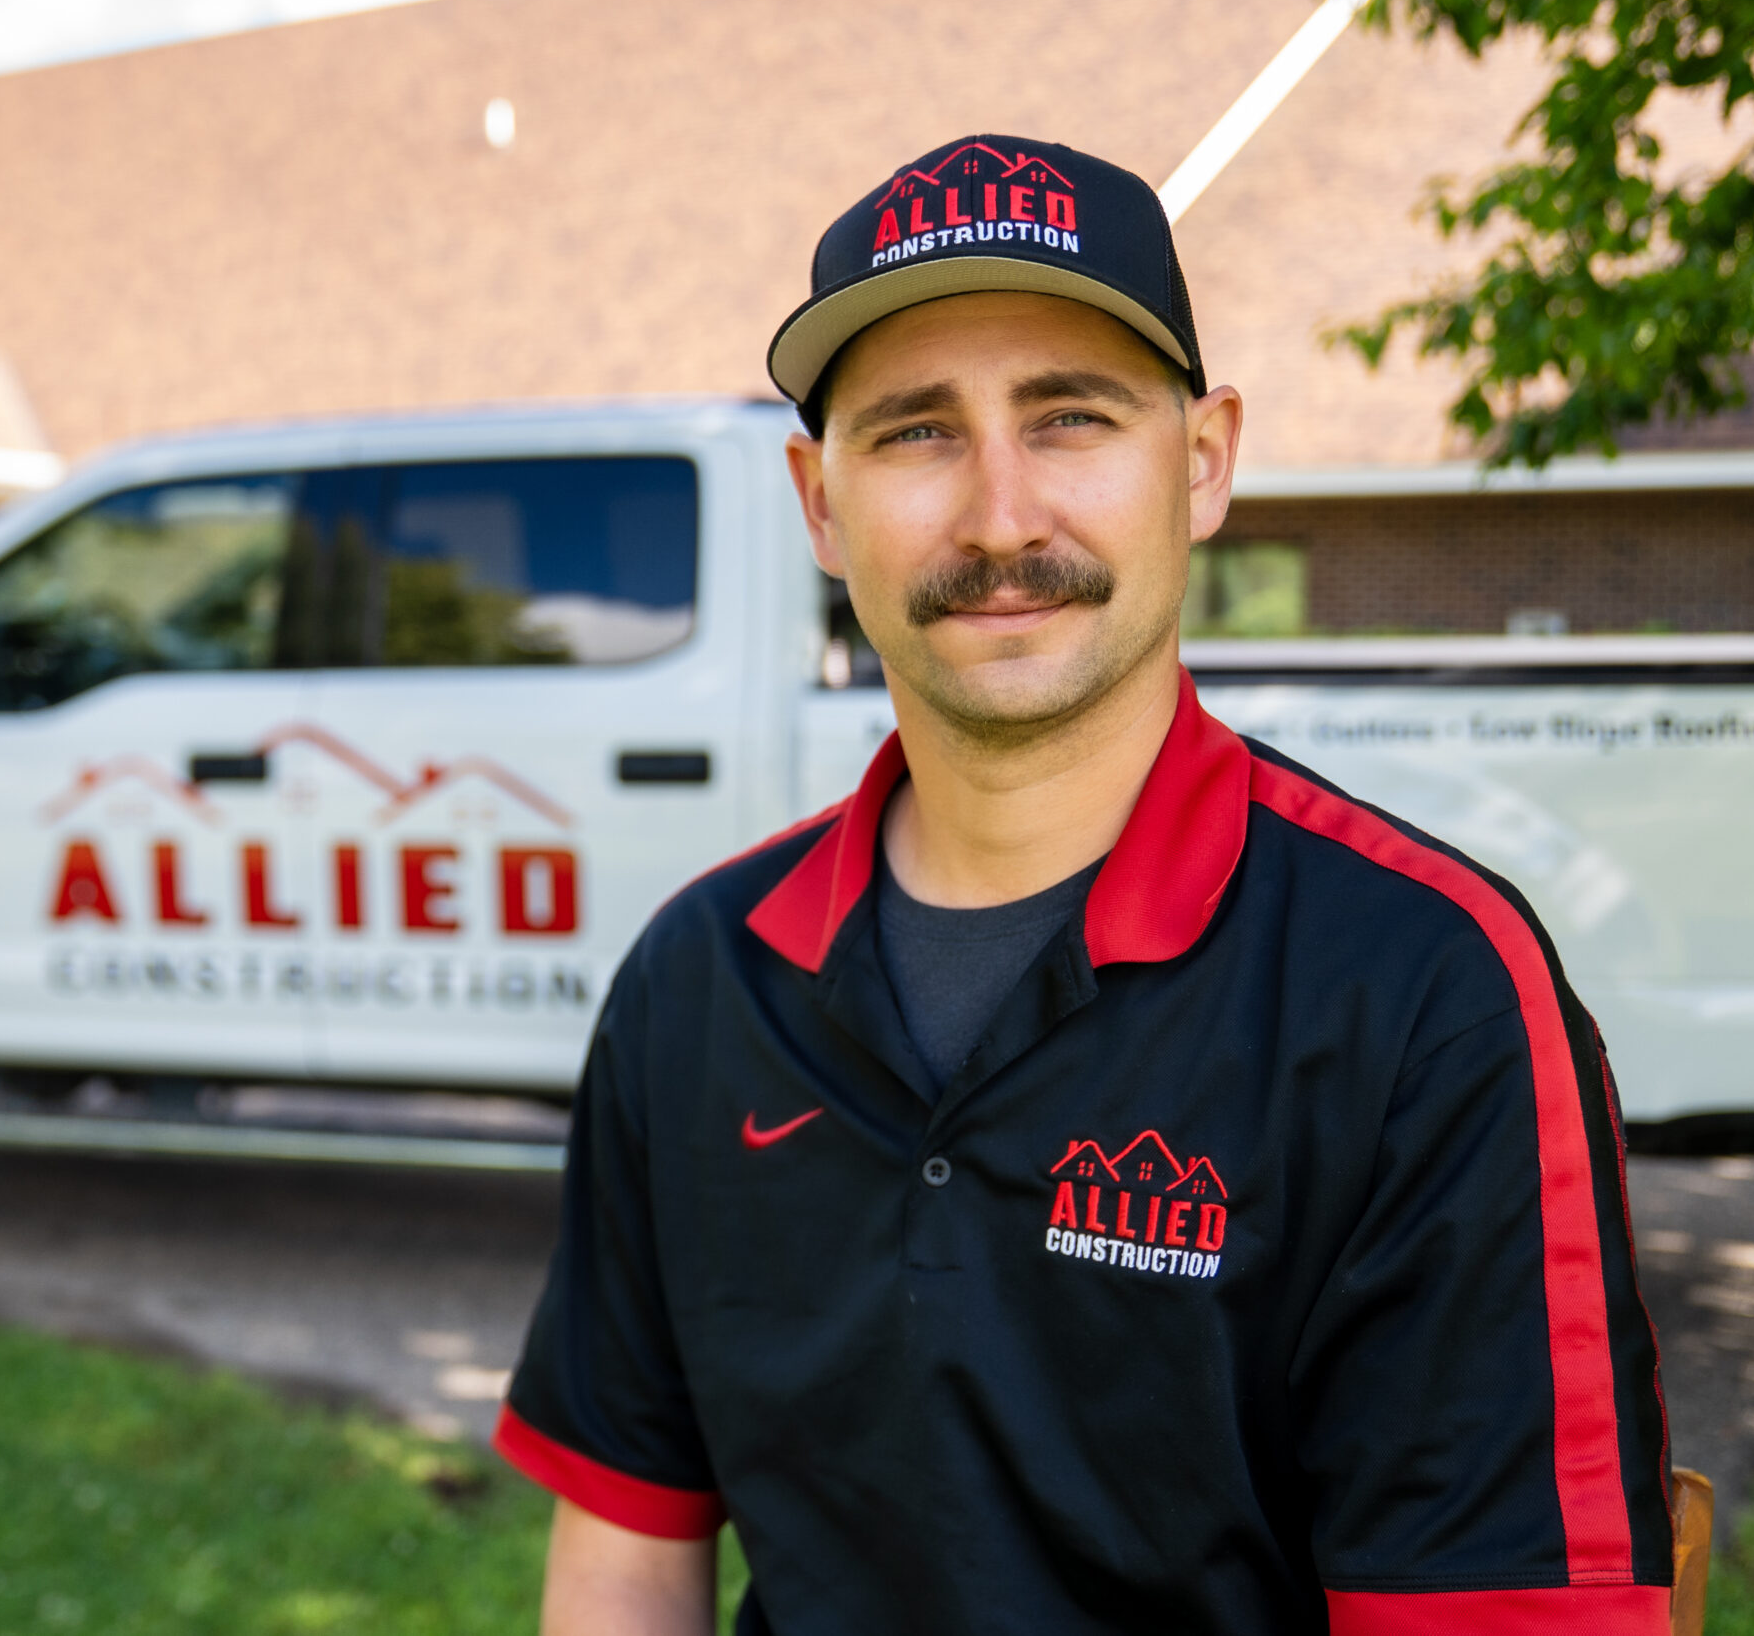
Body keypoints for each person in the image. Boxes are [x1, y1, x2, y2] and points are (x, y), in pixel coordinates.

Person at [493, 135, 1674, 1635]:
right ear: (819, 503)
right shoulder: (701, 975)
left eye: (1070, 418)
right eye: (918, 433)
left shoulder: (1424, 990)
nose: (999, 516)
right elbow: (625, 1545)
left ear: (1202, 463)